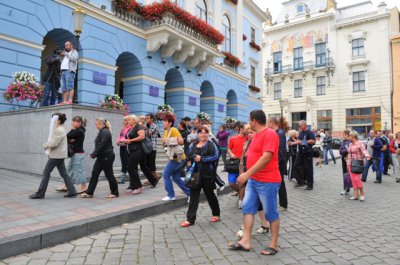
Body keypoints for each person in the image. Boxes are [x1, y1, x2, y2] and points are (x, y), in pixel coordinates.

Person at [229, 110, 281, 256]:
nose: (248, 123)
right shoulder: (255, 135)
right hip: (254, 180)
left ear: (254, 121)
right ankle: (245, 241)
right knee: (247, 207)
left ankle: (274, 244)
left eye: (249, 120)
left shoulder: (271, 134)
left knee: (270, 212)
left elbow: (266, 157)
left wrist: (247, 174)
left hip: (268, 181)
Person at [180, 126, 220, 227]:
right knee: (193, 197)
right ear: (198, 134)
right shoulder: (192, 145)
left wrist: (202, 159)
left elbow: (215, 156)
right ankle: (190, 219)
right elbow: (188, 156)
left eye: (205, 132)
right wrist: (188, 164)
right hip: (194, 175)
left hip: (207, 174)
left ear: (208, 134)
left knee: (210, 195)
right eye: (201, 132)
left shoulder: (211, 144)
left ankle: (216, 214)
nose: (203, 134)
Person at [30, 113, 77, 199]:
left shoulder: (59, 130)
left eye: (53, 119)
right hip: (59, 155)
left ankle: (40, 193)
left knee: (46, 172)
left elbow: (54, 143)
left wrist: (45, 145)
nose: (52, 121)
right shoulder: (59, 129)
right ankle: (72, 191)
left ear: (58, 121)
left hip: (56, 155)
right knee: (64, 174)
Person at [236, 125, 270, 237]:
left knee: (249, 203)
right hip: (248, 176)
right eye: (248, 133)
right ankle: (265, 225)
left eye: (252, 132)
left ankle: (244, 227)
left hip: (258, 178)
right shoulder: (248, 143)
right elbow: (244, 160)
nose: (250, 135)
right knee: (255, 203)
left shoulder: (261, 143)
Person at [80, 118, 119, 198]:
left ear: (101, 123)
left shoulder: (105, 131)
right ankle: (89, 192)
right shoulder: (102, 131)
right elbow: (100, 145)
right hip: (102, 156)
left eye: (96, 124)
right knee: (95, 173)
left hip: (107, 156)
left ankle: (115, 193)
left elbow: (102, 144)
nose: (95, 125)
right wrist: (95, 154)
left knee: (109, 174)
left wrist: (94, 154)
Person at [125, 115, 159, 194]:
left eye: (129, 119)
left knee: (130, 167)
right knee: (143, 167)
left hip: (139, 150)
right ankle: (153, 181)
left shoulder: (138, 127)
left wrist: (131, 141)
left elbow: (142, 137)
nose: (128, 121)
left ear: (134, 120)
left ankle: (138, 186)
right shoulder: (131, 128)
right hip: (133, 150)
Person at [162, 114, 190, 202]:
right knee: (176, 178)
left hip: (178, 157)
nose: (164, 123)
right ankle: (191, 194)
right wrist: (164, 142)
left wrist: (169, 141)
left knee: (166, 174)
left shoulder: (173, 130)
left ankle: (171, 195)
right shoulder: (166, 131)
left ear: (170, 123)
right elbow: (164, 143)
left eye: (165, 121)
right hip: (175, 157)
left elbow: (181, 141)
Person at [267, 117, 288, 210]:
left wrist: (277, 162)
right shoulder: (277, 133)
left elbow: (280, 150)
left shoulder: (279, 133)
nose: (267, 124)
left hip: (280, 162)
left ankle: (283, 204)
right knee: (278, 182)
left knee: (280, 182)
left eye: (268, 123)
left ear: (272, 123)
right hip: (278, 161)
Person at [347, 131, 370, 201]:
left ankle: (362, 194)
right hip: (350, 164)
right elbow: (349, 153)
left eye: (349, 136)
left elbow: (364, 150)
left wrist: (367, 156)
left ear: (353, 137)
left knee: (357, 179)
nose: (348, 138)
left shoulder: (360, 143)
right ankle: (356, 195)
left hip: (358, 164)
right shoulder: (350, 144)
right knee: (353, 180)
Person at [293, 120, 315, 190]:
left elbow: (313, 141)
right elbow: (299, 141)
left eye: (300, 126)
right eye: (299, 126)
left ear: (305, 125)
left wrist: (303, 141)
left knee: (308, 169)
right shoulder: (300, 132)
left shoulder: (310, 132)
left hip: (307, 152)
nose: (299, 127)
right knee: (296, 165)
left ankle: (310, 185)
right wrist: (293, 143)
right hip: (300, 152)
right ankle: (301, 181)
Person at [227, 123, 247, 198]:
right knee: (231, 184)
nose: (247, 130)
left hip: (244, 163)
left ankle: (241, 200)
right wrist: (231, 154)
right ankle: (242, 193)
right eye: (246, 128)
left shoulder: (248, 138)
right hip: (234, 163)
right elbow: (228, 149)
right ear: (241, 129)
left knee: (241, 182)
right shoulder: (233, 138)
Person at [116, 116, 132, 184]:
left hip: (127, 147)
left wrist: (123, 141)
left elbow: (129, 137)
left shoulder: (130, 128)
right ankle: (122, 179)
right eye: (124, 120)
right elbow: (120, 136)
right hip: (122, 146)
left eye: (127, 120)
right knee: (123, 163)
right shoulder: (123, 128)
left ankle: (132, 178)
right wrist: (118, 141)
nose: (126, 121)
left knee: (128, 163)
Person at [145, 113, 161, 180]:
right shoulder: (147, 126)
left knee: (151, 164)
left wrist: (143, 128)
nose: (146, 120)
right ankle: (155, 177)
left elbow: (148, 133)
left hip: (152, 148)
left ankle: (153, 178)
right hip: (147, 148)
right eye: (146, 118)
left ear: (152, 119)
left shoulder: (154, 125)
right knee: (147, 164)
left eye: (147, 118)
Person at [339, 130, 351, 195]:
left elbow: (349, 150)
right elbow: (340, 151)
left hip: (349, 160)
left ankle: (354, 189)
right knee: (345, 174)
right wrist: (344, 151)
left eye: (344, 134)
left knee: (350, 174)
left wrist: (344, 151)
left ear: (347, 134)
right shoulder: (343, 141)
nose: (343, 135)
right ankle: (346, 188)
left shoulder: (350, 141)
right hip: (344, 159)